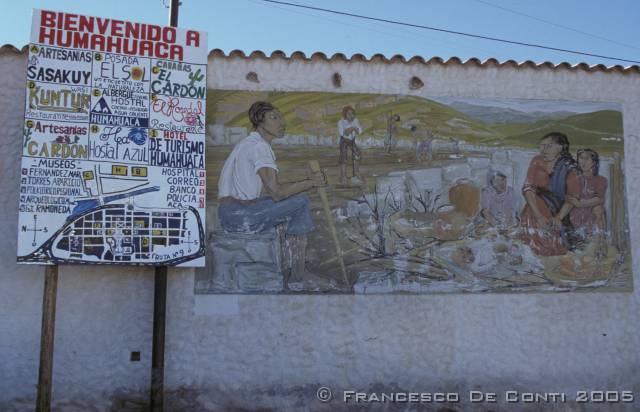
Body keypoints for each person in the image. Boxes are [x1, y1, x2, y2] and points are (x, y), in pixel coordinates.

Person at [217, 101, 329, 290]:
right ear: (259, 122)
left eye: (281, 117)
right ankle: (298, 275)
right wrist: (312, 183)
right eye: (274, 118)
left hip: (231, 212)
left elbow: (275, 191)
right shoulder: (259, 147)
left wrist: (306, 181)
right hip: (241, 216)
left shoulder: (248, 143)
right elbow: (277, 193)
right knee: (301, 202)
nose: (282, 122)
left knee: (293, 201)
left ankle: (293, 269)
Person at [519, 132, 580, 256]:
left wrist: (558, 218)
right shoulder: (537, 161)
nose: (543, 150)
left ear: (561, 147)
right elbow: (528, 188)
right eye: (542, 146)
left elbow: (572, 197)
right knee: (534, 205)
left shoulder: (571, 166)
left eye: (549, 146)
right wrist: (538, 216)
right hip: (535, 208)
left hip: (560, 210)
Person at [567, 149, 608, 257]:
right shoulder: (573, 178)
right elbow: (568, 197)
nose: (583, 162)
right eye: (581, 158)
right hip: (575, 214)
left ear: (593, 162)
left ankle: (601, 245)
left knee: (598, 209)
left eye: (587, 158)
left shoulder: (601, 180)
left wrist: (580, 203)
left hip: (591, 214)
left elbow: (599, 199)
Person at [338, 105, 363, 184]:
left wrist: (354, 129)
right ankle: (343, 176)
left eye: (352, 114)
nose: (351, 115)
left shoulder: (356, 120)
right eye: (349, 114)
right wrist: (352, 128)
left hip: (352, 140)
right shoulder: (341, 122)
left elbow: (360, 131)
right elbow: (343, 133)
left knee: (357, 154)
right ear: (345, 114)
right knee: (343, 157)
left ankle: (356, 172)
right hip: (344, 140)